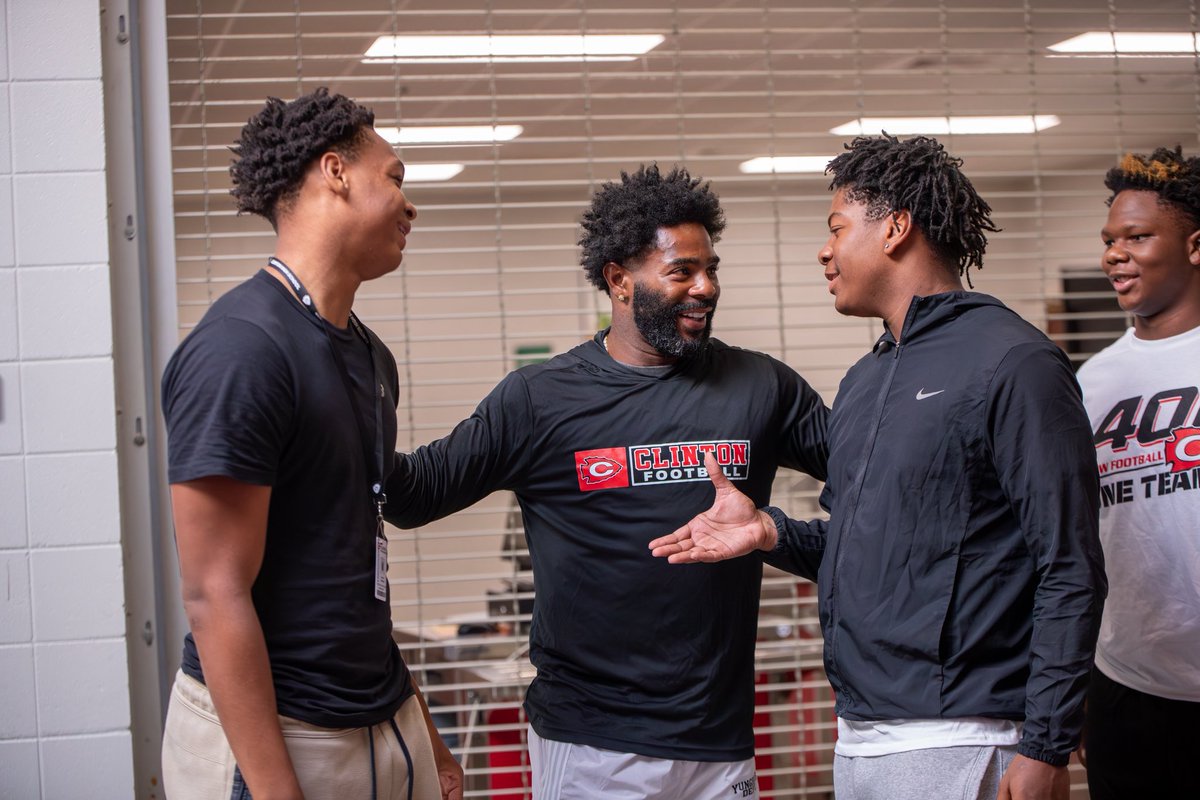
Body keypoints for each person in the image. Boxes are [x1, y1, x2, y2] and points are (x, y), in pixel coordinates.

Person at [650, 134, 1106, 800]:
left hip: (967, 734)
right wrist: (769, 532)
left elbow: (1069, 564)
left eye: (838, 227)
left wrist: (1046, 744)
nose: (825, 249)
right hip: (863, 734)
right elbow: (866, 544)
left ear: (895, 228)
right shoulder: (868, 377)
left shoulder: (1013, 362)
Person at [385, 164, 829, 800]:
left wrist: (774, 531)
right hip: (592, 745)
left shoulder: (763, 387)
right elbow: (411, 496)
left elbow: (874, 482)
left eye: (712, 269)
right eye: (682, 272)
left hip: (719, 743)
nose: (705, 287)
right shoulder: (540, 400)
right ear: (620, 280)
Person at [160, 88, 462, 800]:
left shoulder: (371, 357)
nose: (408, 204)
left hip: (381, 723)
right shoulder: (241, 349)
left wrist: (427, 737)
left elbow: (356, 568)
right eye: (395, 178)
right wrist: (274, 789)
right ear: (335, 172)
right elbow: (213, 592)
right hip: (279, 736)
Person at [1076, 147, 1200, 799]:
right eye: (1109, 241)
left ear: (1195, 245)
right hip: (1127, 687)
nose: (1115, 254)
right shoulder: (1091, 383)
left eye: (1138, 237)